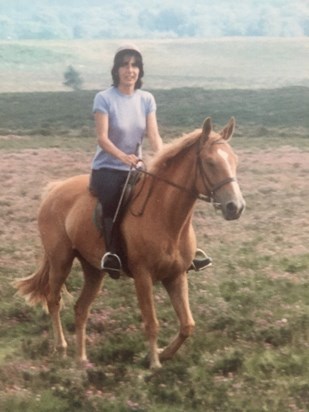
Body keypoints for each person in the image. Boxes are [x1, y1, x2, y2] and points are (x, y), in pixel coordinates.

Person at [90, 43, 211, 279]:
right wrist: (124, 157)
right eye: (124, 65)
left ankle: (185, 252)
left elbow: (153, 135)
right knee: (114, 200)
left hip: (137, 168)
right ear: (116, 70)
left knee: (171, 199)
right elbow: (102, 138)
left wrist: (163, 160)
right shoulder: (104, 98)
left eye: (134, 65)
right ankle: (112, 253)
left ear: (140, 70)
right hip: (108, 168)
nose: (130, 70)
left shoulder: (146, 99)